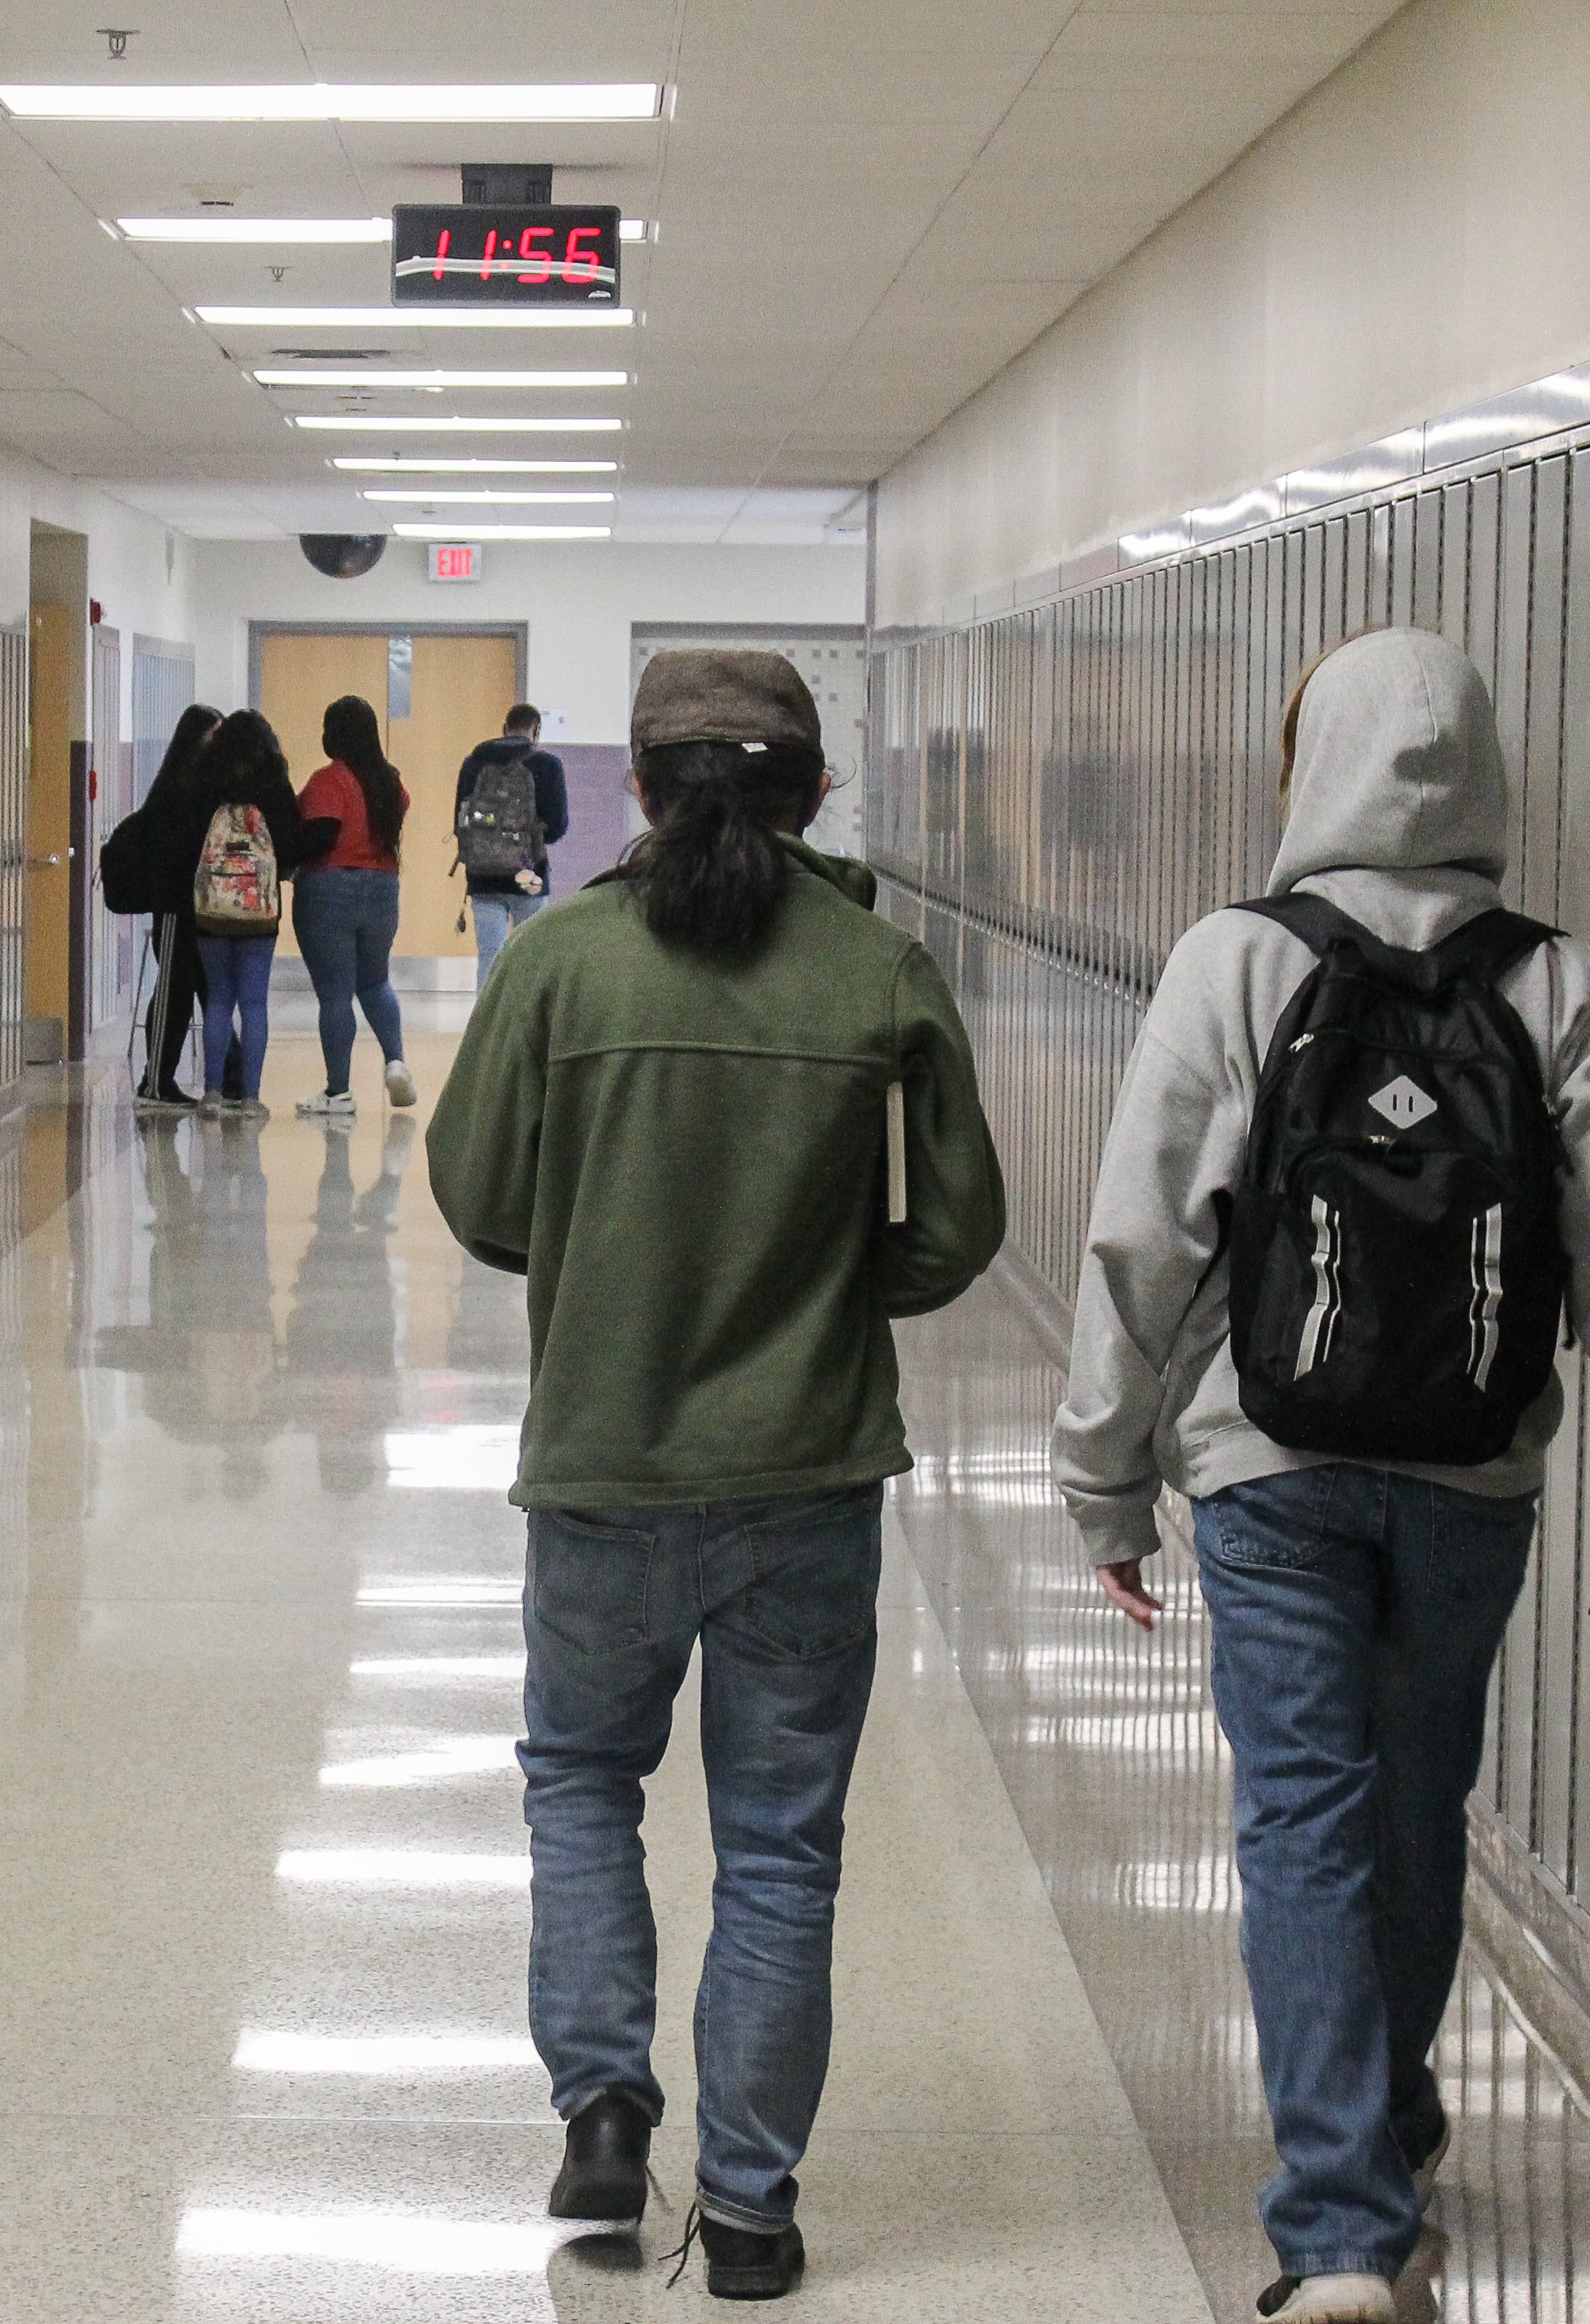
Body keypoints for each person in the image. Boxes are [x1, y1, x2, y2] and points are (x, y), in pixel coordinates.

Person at [1053, 628, 1590, 2324]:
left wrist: (1106, 1479)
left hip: (1271, 1468)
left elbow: (1144, 1237)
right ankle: (1378, 2134)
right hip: (1475, 1476)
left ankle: (1342, 2219)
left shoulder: (1237, 962)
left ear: (1305, 765)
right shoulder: (1560, 981)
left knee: (1308, 1821)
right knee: (1414, 1812)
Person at [427, 650, 1004, 2300]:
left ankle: (606, 2106)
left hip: (604, 1463)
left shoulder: (566, 966)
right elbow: (961, 1229)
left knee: (581, 1782)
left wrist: (606, 1262)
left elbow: (477, 1194)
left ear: (640, 792)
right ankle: (751, 2201)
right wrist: (829, 1287)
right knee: (779, 1839)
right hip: (809, 1475)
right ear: (816, 790)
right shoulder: (881, 970)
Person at [179, 708, 316, 1117]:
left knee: (218, 999)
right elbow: (290, 845)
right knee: (254, 1003)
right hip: (259, 912)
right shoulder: (274, 786)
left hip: (211, 912)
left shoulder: (204, 783)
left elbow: (189, 843)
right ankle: (252, 1098)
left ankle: (212, 1095)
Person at [291, 694, 416, 1118]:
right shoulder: (390, 782)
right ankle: (396, 1062)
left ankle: (338, 1093)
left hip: (330, 889)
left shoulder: (330, 781)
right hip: (383, 888)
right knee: (376, 982)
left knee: (335, 994)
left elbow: (321, 833)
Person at [103, 700, 223, 1111]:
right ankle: (155, 1082)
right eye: (213, 736)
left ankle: (224, 1080)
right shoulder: (178, 793)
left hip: (198, 910)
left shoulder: (198, 788)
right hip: (174, 910)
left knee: (200, 993)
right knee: (174, 994)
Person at [455, 701, 571, 987]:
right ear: (536, 731)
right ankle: (525, 1028)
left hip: (482, 878)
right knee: (530, 956)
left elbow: (460, 824)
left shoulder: (473, 763)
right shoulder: (547, 765)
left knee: (490, 956)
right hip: (529, 876)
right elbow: (558, 827)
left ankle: (486, 1028)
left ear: (504, 729)